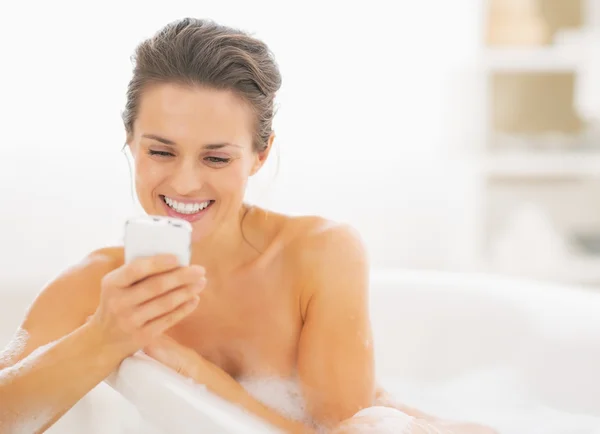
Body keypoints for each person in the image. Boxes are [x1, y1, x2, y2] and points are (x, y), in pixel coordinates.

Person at [0, 18, 497, 434]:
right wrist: (104, 336)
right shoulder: (99, 284)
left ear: (260, 155)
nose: (185, 181)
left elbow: (346, 428)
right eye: (160, 151)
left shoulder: (318, 255)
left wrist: (190, 368)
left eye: (216, 157)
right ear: (130, 142)